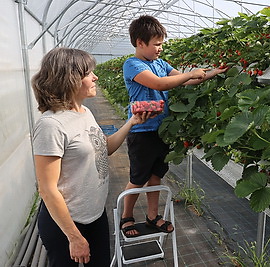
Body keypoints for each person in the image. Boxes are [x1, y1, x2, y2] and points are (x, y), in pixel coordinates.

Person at [31, 47, 150, 267]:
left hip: (95, 214)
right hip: (67, 224)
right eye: (89, 73)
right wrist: (74, 237)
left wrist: (131, 122)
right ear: (69, 78)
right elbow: (47, 189)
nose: (95, 77)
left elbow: (103, 149)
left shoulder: (84, 112)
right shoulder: (51, 125)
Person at [121, 15, 228, 238]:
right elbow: (159, 83)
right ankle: (126, 216)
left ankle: (152, 216)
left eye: (161, 43)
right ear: (140, 42)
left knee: (156, 175)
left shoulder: (161, 63)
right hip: (141, 132)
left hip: (163, 130)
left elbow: (185, 80)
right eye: (156, 44)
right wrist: (190, 73)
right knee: (138, 178)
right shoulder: (133, 65)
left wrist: (212, 73)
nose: (160, 49)